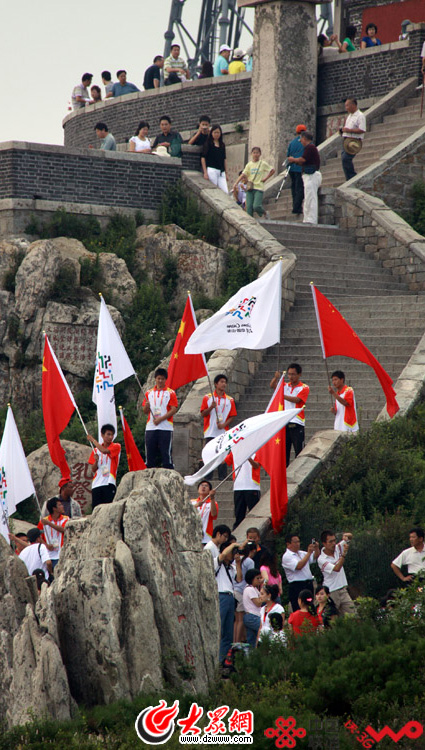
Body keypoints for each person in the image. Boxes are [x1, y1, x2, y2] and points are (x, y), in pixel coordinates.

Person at [200, 373, 237, 480]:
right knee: (209, 455)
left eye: (225, 382)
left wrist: (224, 425)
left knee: (223, 455)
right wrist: (211, 407)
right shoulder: (208, 398)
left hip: (223, 432)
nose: (223, 384)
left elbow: (232, 415)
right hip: (210, 432)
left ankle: (222, 477)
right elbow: (203, 413)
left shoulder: (230, 400)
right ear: (216, 384)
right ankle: (208, 477)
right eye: (221, 382)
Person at [142, 367, 178, 469]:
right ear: (155, 379)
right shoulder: (149, 393)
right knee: (150, 453)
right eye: (158, 378)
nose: (160, 381)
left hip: (165, 427)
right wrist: (146, 407)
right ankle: (149, 472)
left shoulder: (170, 393)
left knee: (166, 454)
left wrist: (160, 419)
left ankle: (169, 471)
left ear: (165, 379)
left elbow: (173, 409)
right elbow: (145, 411)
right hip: (151, 427)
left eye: (162, 379)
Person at [214, 539, 243, 662]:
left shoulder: (231, 567)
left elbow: (239, 579)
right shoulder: (217, 563)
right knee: (219, 629)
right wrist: (233, 545)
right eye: (232, 552)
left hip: (230, 597)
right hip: (221, 595)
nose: (233, 554)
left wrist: (238, 563)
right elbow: (222, 555)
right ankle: (217, 659)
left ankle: (223, 660)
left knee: (228, 632)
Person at [317, 530, 356, 614]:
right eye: (330, 542)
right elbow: (337, 568)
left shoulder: (338, 548)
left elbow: (350, 537)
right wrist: (344, 554)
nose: (333, 543)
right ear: (324, 543)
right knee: (331, 617)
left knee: (353, 615)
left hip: (343, 590)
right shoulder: (321, 559)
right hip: (331, 592)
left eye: (334, 540)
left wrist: (346, 535)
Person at [288, 131, 321, 224]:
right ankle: (307, 219)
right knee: (307, 198)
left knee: (311, 198)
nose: (301, 142)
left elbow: (302, 159)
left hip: (311, 176)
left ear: (304, 139)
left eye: (301, 140)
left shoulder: (310, 147)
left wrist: (293, 159)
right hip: (308, 176)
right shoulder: (309, 148)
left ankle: (311, 219)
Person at [234, 147, 275, 219]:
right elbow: (243, 174)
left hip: (259, 188)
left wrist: (265, 179)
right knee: (249, 208)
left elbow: (272, 170)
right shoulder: (249, 165)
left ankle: (265, 213)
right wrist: (236, 183)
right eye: (254, 153)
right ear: (251, 154)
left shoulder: (263, 163)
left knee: (256, 206)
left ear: (260, 154)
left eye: (257, 153)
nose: (255, 154)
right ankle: (251, 221)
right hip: (250, 188)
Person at [281, 533, 319, 612]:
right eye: (295, 542)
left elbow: (315, 557)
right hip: (297, 586)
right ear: (288, 544)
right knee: (299, 608)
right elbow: (299, 566)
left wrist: (316, 548)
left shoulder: (302, 553)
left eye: (298, 542)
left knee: (310, 606)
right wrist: (309, 553)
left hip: (308, 584)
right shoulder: (287, 556)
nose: (298, 544)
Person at [87, 424, 121, 509]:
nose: (110, 437)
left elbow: (105, 451)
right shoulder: (95, 450)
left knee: (108, 510)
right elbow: (93, 469)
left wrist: (93, 440)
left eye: (112, 435)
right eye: (108, 434)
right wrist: (96, 461)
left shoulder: (116, 446)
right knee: (96, 510)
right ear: (102, 435)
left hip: (109, 482)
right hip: (97, 484)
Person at [224, 451, 261, 529]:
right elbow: (226, 461)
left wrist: (248, 457)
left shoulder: (256, 449)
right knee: (239, 514)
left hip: (252, 486)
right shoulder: (235, 450)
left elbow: (257, 465)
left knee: (254, 512)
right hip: (238, 486)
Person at [284, 363, 310, 465]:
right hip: (285, 422)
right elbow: (272, 386)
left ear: (299, 374)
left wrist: (282, 396)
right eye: (289, 374)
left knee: (299, 452)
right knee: (284, 453)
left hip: (297, 423)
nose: (291, 377)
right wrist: (276, 378)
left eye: (293, 374)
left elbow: (297, 400)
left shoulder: (304, 387)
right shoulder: (285, 386)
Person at [233, 541, 257, 642]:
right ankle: (238, 643)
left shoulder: (237, 560)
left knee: (237, 620)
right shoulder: (249, 561)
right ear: (253, 551)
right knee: (241, 620)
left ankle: (235, 642)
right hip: (242, 591)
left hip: (234, 590)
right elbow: (251, 576)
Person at [37, 498, 69, 569]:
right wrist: (46, 545)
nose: (62, 506)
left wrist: (49, 523)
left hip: (62, 553)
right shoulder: (43, 522)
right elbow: (39, 537)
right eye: (60, 505)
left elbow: (63, 530)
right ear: (54, 508)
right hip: (48, 555)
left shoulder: (66, 519)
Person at [340, 97, 366, 181]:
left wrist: (349, 130)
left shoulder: (360, 116)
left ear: (353, 105)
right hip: (346, 140)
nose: (346, 108)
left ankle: (351, 177)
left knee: (346, 158)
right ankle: (348, 177)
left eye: (347, 105)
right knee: (344, 158)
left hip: (354, 141)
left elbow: (362, 129)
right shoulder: (349, 116)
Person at [201, 124, 229, 193]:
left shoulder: (222, 145)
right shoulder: (208, 144)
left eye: (218, 132)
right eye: (215, 132)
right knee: (214, 190)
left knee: (225, 191)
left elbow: (224, 159)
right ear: (211, 133)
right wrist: (205, 172)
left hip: (221, 171)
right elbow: (203, 158)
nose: (217, 134)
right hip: (212, 169)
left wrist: (226, 172)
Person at [287, 125, 306, 216]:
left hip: (292, 168)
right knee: (300, 188)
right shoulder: (304, 142)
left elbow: (288, 155)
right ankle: (297, 207)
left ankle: (295, 205)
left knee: (294, 188)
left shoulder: (292, 143)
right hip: (300, 168)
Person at [242, 568, 263, 647]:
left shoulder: (254, 589)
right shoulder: (250, 589)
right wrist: (265, 598)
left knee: (251, 639)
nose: (259, 580)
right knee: (263, 630)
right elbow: (258, 603)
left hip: (252, 616)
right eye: (257, 578)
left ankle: (251, 653)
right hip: (252, 616)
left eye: (260, 578)